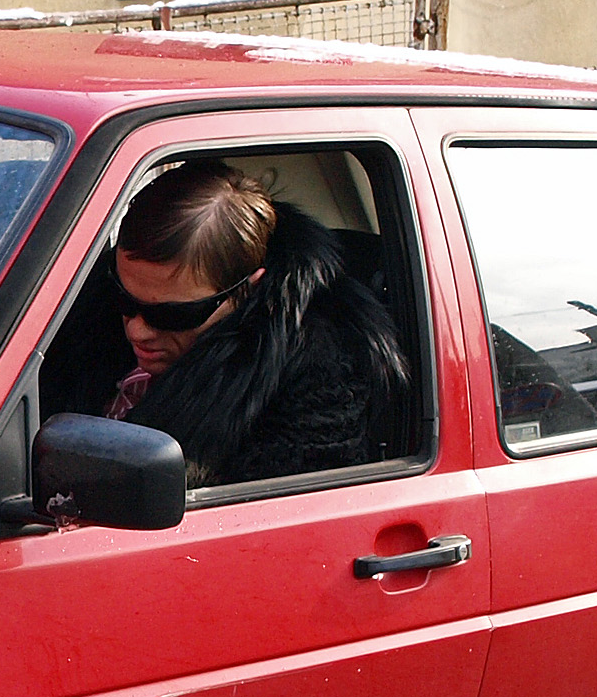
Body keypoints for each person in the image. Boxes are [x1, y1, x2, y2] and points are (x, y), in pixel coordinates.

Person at [103, 158, 409, 485]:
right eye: (123, 298)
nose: (137, 329)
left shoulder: (323, 376)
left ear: (250, 288)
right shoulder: (80, 323)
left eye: (173, 314)